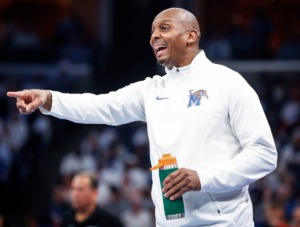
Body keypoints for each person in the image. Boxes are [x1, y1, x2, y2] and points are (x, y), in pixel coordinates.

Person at [7, 7, 277, 226]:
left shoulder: (228, 82)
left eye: (164, 28)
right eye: (152, 32)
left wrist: (203, 178)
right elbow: (99, 106)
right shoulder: (151, 90)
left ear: (191, 35)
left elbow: (264, 155)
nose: (154, 36)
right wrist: (50, 99)